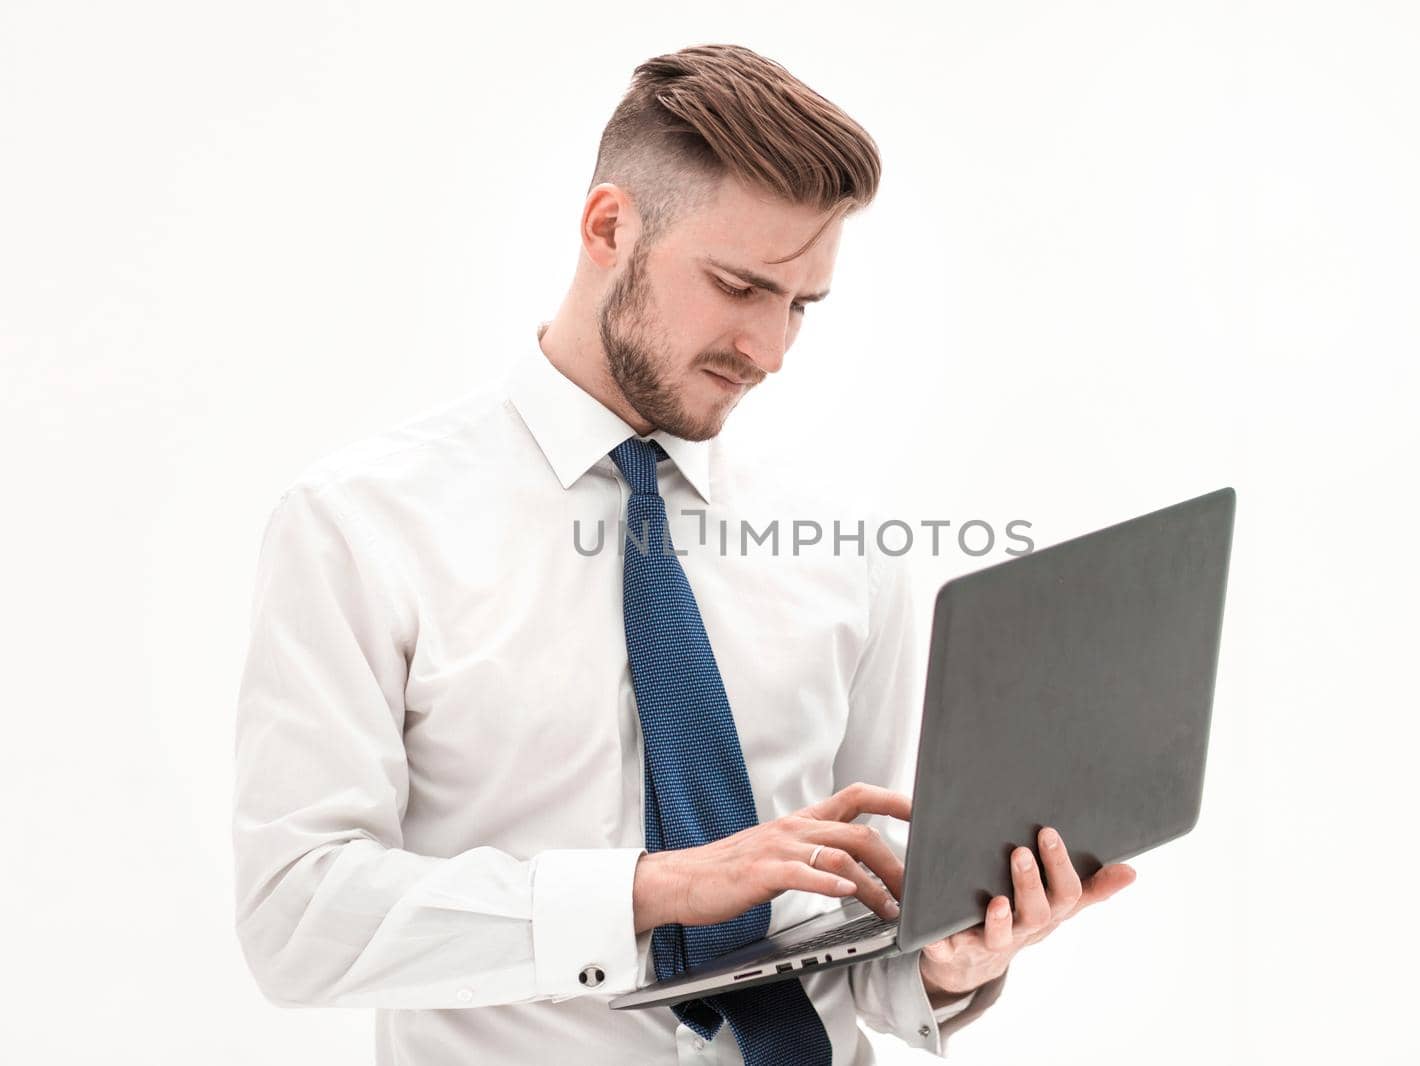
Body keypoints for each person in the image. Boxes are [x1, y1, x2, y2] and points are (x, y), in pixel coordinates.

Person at [231, 42, 1136, 1066]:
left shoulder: (846, 550)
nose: (772, 350)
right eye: (740, 286)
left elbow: (848, 923)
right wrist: (651, 890)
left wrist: (949, 959)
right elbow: (295, 917)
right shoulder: (362, 524)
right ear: (609, 226)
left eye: (800, 306)